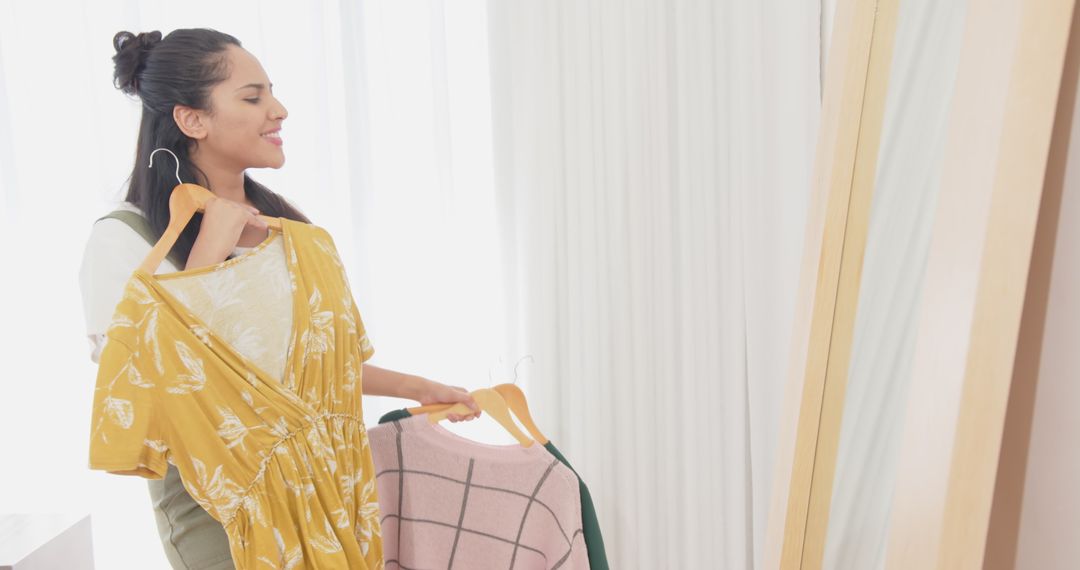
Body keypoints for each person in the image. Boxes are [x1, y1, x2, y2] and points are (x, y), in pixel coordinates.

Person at [79, 28, 480, 570]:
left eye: (272, 93)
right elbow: (148, 390)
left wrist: (417, 386)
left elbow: (309, 373)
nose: (279, 110)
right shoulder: (125, 239)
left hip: (330, 497)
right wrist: (210, 251)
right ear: (192, 119)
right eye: (253, 97)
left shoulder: (293, 232)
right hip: (224, 512)